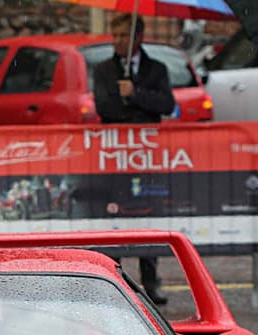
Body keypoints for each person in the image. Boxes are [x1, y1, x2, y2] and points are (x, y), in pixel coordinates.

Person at [91, 13, 175, 305]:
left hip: (145, 157)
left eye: (125, 36)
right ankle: (114, 279)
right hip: (114, 157)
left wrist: (136, 93)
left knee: (146, 216)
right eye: (116, 36)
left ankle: (151, 280)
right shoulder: (103, 70)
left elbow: (166, 104)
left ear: (138, 38)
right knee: (114, 215)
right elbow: (105, 107)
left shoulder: (157, 69)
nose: (119, 42)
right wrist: (128, 103)